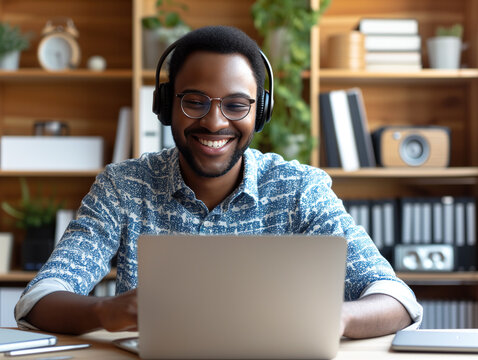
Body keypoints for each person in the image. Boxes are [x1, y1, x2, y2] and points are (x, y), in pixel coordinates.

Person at [15, 25, 422, 337]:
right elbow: (39, 298)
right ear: (164, 105)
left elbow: (397, 298)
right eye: (194, 101)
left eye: (235, 105)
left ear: (258, 113)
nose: (214, 121)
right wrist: (105, 311)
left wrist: (334, 318)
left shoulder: (300, 189)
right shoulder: (124, 186)